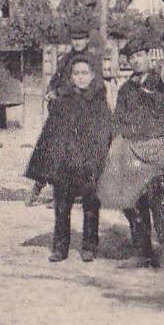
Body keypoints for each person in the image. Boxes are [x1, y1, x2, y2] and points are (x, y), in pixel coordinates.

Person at [99, 38, 164, 266]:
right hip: (132, 148)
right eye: (131, 58)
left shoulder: (161, 80)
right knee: (132, 197)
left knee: (155, 192)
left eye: (140, 55)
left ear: (149, 55)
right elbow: (118, 119)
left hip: (157, 145)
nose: (136, 61)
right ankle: (142, 249)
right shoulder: (126, 89)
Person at [34, 57, 113, 262]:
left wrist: (99, 158)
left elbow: (105, 130)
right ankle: (60, 247)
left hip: (88, 163)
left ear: (92, 76)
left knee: (91, 205)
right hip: (66, 163)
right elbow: (53, 130)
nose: (80, 78)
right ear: (71, 77)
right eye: (76, 74)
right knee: (62, 206)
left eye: (84, 73)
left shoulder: (98, 99)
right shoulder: (63, 99)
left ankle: (89, 247)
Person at [32, 32, 101, 203]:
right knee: (51, 149)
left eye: (81, 38)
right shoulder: (65, 59)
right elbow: (56, 78)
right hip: (62, 111)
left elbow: (91, 86)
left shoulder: (92, 60)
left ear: (86, 40)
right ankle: (40, 185)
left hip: (82, 111)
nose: (77, 42)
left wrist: (60, 92)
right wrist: (50, 90)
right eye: (75, 38)